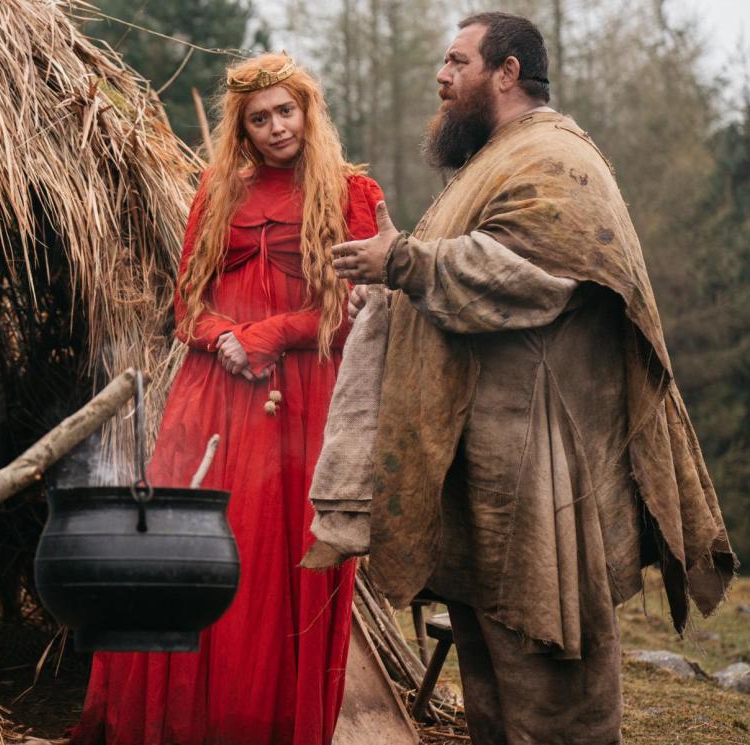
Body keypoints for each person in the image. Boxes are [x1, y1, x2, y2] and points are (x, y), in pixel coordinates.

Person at [314, 12, 737, 744]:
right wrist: (389, 286)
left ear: (506, 72)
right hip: (486, 467)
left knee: (552, 686)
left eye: (456, 62)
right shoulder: (495, 159)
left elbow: (532, 278)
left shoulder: (554, 161)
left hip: (544, 478)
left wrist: (408, 264)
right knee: (492, 690)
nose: (441, 78)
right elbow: (452, 275)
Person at [72, 53, 386, 745]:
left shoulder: (353, 192)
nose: (277, 127)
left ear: (309, 109)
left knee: (282, 567)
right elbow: (187, 305)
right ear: (240, 129)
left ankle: (263, 724)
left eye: (286, 110)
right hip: (211, 394)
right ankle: (179, 722)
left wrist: (271, 332)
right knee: (192, 551)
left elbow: (361, 311)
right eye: (259, 117)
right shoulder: (216, 188)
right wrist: (223, 338)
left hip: (302, 403)